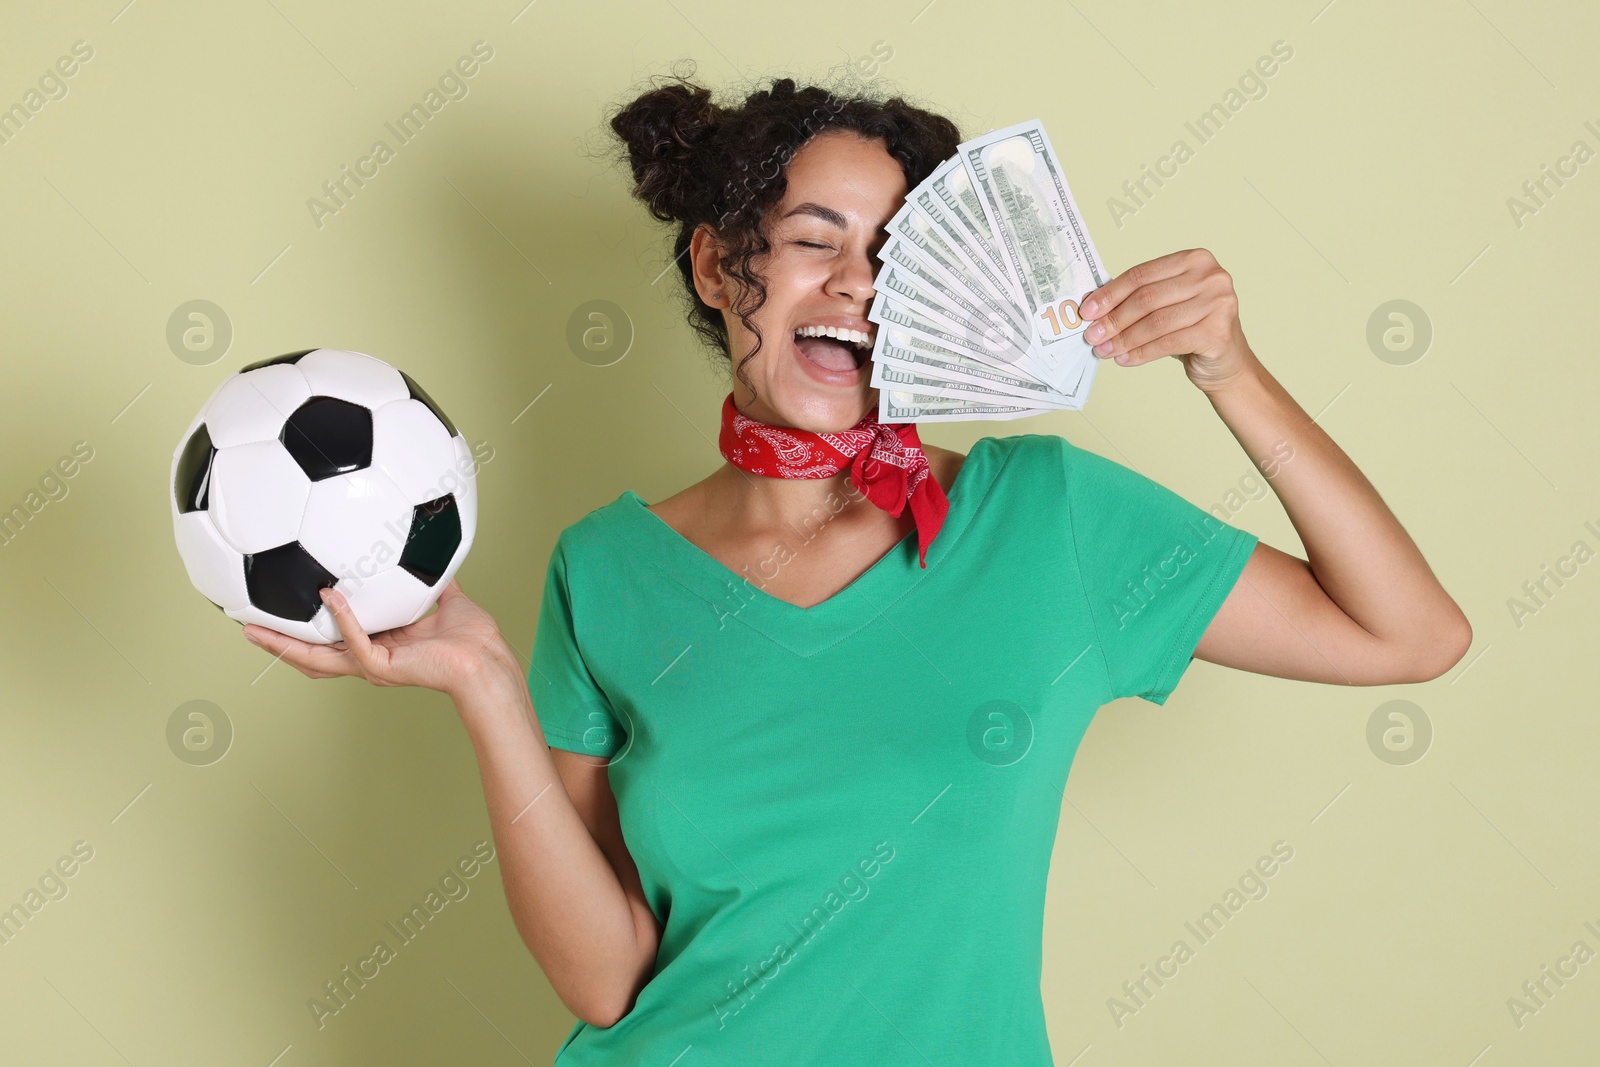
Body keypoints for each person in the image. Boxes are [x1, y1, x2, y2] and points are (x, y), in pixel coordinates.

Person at [243, 71, 1472, 1065]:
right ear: (722, 269)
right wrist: (487, 687)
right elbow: (608, 982)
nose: (855, 285)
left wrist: (1229, 370)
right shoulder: (606, 565)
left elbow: (1408, 634)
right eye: (813, 241)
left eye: (898, 254)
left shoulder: (1047, 517)